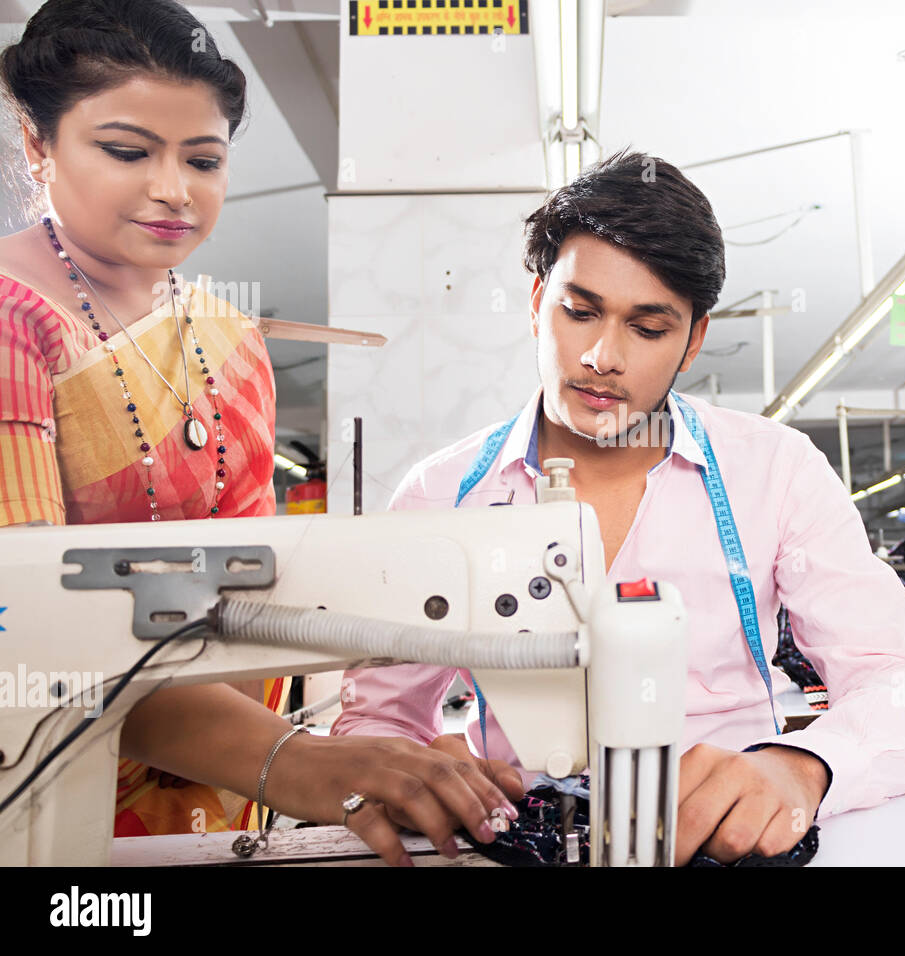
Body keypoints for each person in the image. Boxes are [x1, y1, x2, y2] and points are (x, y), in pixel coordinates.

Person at [334, 149, 905, 865]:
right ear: (538, 301)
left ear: (695, 339)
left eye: (648, 328)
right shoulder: (442, 496)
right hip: (524, 839)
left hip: (729, 843)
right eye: (580, 312)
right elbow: (377, 718)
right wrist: (405, 771)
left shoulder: (776, 472)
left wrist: (803, 768)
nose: (604, 356)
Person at [0, 0, 519, 864]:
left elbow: (251, 588)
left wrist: (362, 735)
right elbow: (28, 631)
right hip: (48, 790)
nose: (175, 189)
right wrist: (300, 764)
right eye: (128, 151)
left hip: (222, 781)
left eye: (204, 159)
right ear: (37, 145)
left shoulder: (230, 339)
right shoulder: (15, 321)